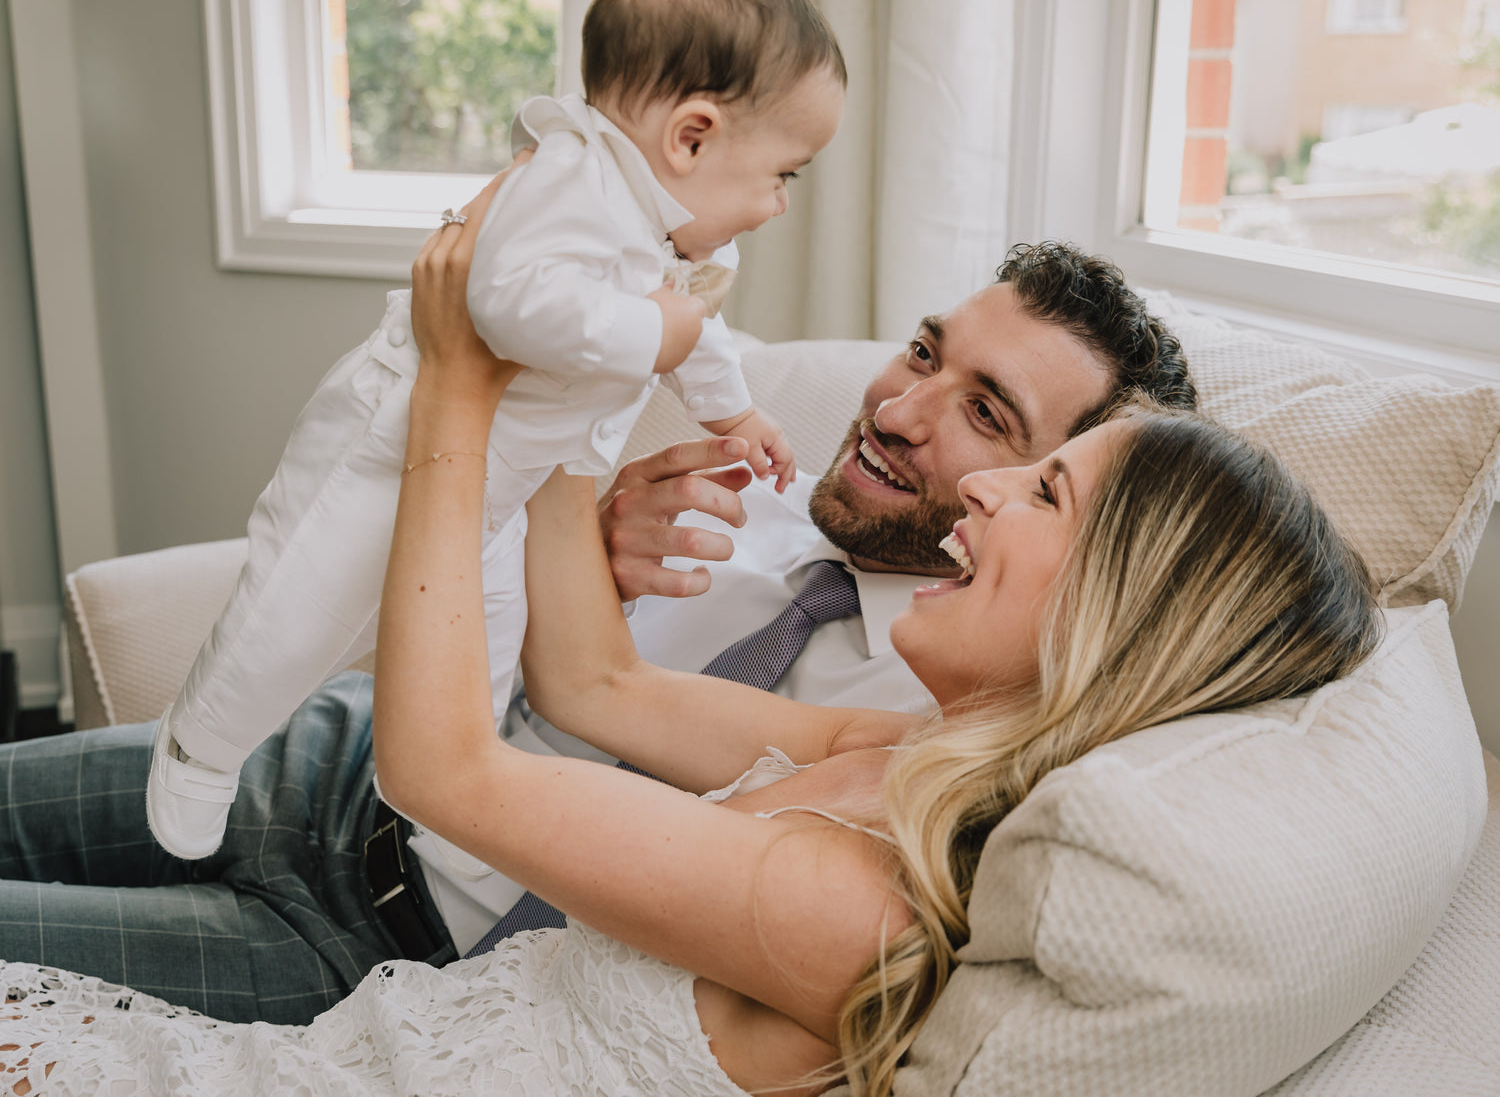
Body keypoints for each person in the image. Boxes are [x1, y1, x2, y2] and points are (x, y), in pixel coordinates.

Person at [0, 175, 1379, 1097]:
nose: (913, 423)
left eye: (1019, 451)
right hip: (334, 767)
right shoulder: (893, 725)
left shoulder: (880, 870)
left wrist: (460, 395)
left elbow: (459, 771)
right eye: (922, 351)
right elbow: (586, 679)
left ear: (1114, 605)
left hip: (373, 955)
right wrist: (571, 427)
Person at [146, 0, 843, 862]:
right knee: (298, 606)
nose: (780, 205)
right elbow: (508, 303)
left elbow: (695, 331)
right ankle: (202, 747)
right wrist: (657, 332)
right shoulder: (570, 183)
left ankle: (447, 790)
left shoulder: (654, 231)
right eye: (781, 175)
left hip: (498, 487)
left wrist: (737, 408)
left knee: (486, 643)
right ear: (691, 136)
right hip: (392, 444)